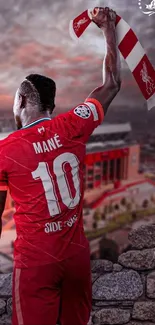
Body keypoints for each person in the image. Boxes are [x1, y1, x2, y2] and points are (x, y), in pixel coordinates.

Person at [0, 7, 121, 325]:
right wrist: (108, 28)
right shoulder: (72, 125)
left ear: (23, 101)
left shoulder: (6, 150)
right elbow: (111, 85)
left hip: (36, 264)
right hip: (76, 259)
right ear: (51, 106)